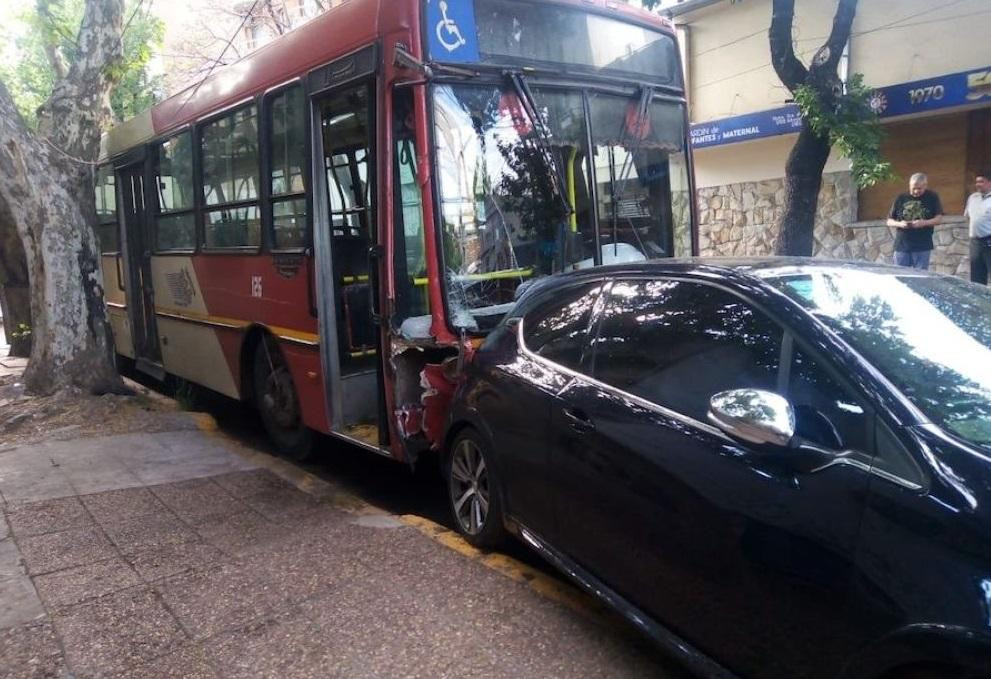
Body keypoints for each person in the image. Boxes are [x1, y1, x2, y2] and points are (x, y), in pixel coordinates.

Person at [887, 172, 944, 270]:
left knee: (921, 278)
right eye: (913, 188)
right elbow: (889, 221)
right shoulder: (901, 198)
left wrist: (924, 223)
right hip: (902, 246)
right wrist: (900, 224)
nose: (916, 191)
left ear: (925, 186)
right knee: (900, 276)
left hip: (922, 246)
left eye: (919, 189)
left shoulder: (932, 197)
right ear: (909, 185)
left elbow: (939, 219)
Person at [966, 170, 991, 285]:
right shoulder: (972, 198)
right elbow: (968, 217)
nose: (978, 184)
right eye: (977, 182)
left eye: (981, 181)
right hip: (975, 242)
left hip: (989, 240)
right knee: (976, 278)